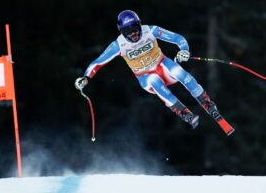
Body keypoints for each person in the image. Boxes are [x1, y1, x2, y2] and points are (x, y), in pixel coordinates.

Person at [75, 10, 219, 129]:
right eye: (127, 31)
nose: (133, 34)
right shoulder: (118, 45)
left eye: (135, 28)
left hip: (162, 65)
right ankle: (184, 113)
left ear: (140, 25)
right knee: (154, 80)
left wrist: (184, 50)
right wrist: (86, 77)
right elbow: (98, 62)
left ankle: (207, 103)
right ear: (121, 32)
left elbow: (177, 38)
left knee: (178, 71)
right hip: (145, 77)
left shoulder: (150, 30)